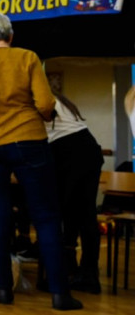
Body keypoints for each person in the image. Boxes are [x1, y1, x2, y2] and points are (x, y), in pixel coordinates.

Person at [0, 12, 81, 311]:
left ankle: (3, 291)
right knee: (47, 216)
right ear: (10, 37)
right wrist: (43, 116)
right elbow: (47, 103)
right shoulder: (27, 57)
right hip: (29, 141)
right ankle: (60, 294)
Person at [46, 93, 104, 294]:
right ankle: (87, 274)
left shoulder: (34, 97)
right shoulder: (57, 98)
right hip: (87, 148)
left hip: (68, 151)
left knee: (62, 213)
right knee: (83, 214)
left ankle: (64, 272)